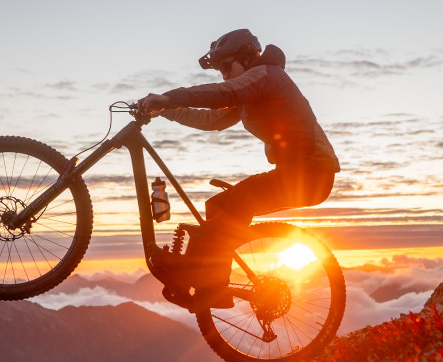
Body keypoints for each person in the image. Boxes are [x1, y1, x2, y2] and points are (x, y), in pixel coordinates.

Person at [137, 29, 340, 311]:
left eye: (225, 66)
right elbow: (212, 119)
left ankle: (209, 286)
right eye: (219, 69)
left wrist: (169, 97)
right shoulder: (251, 89)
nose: (223, 75)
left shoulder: (267, 75)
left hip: (312, 173)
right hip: (297, 173)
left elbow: (223, 93)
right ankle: (208, 282)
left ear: (246, 57)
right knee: (218, 204)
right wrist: (165, 110)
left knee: (239, 201)